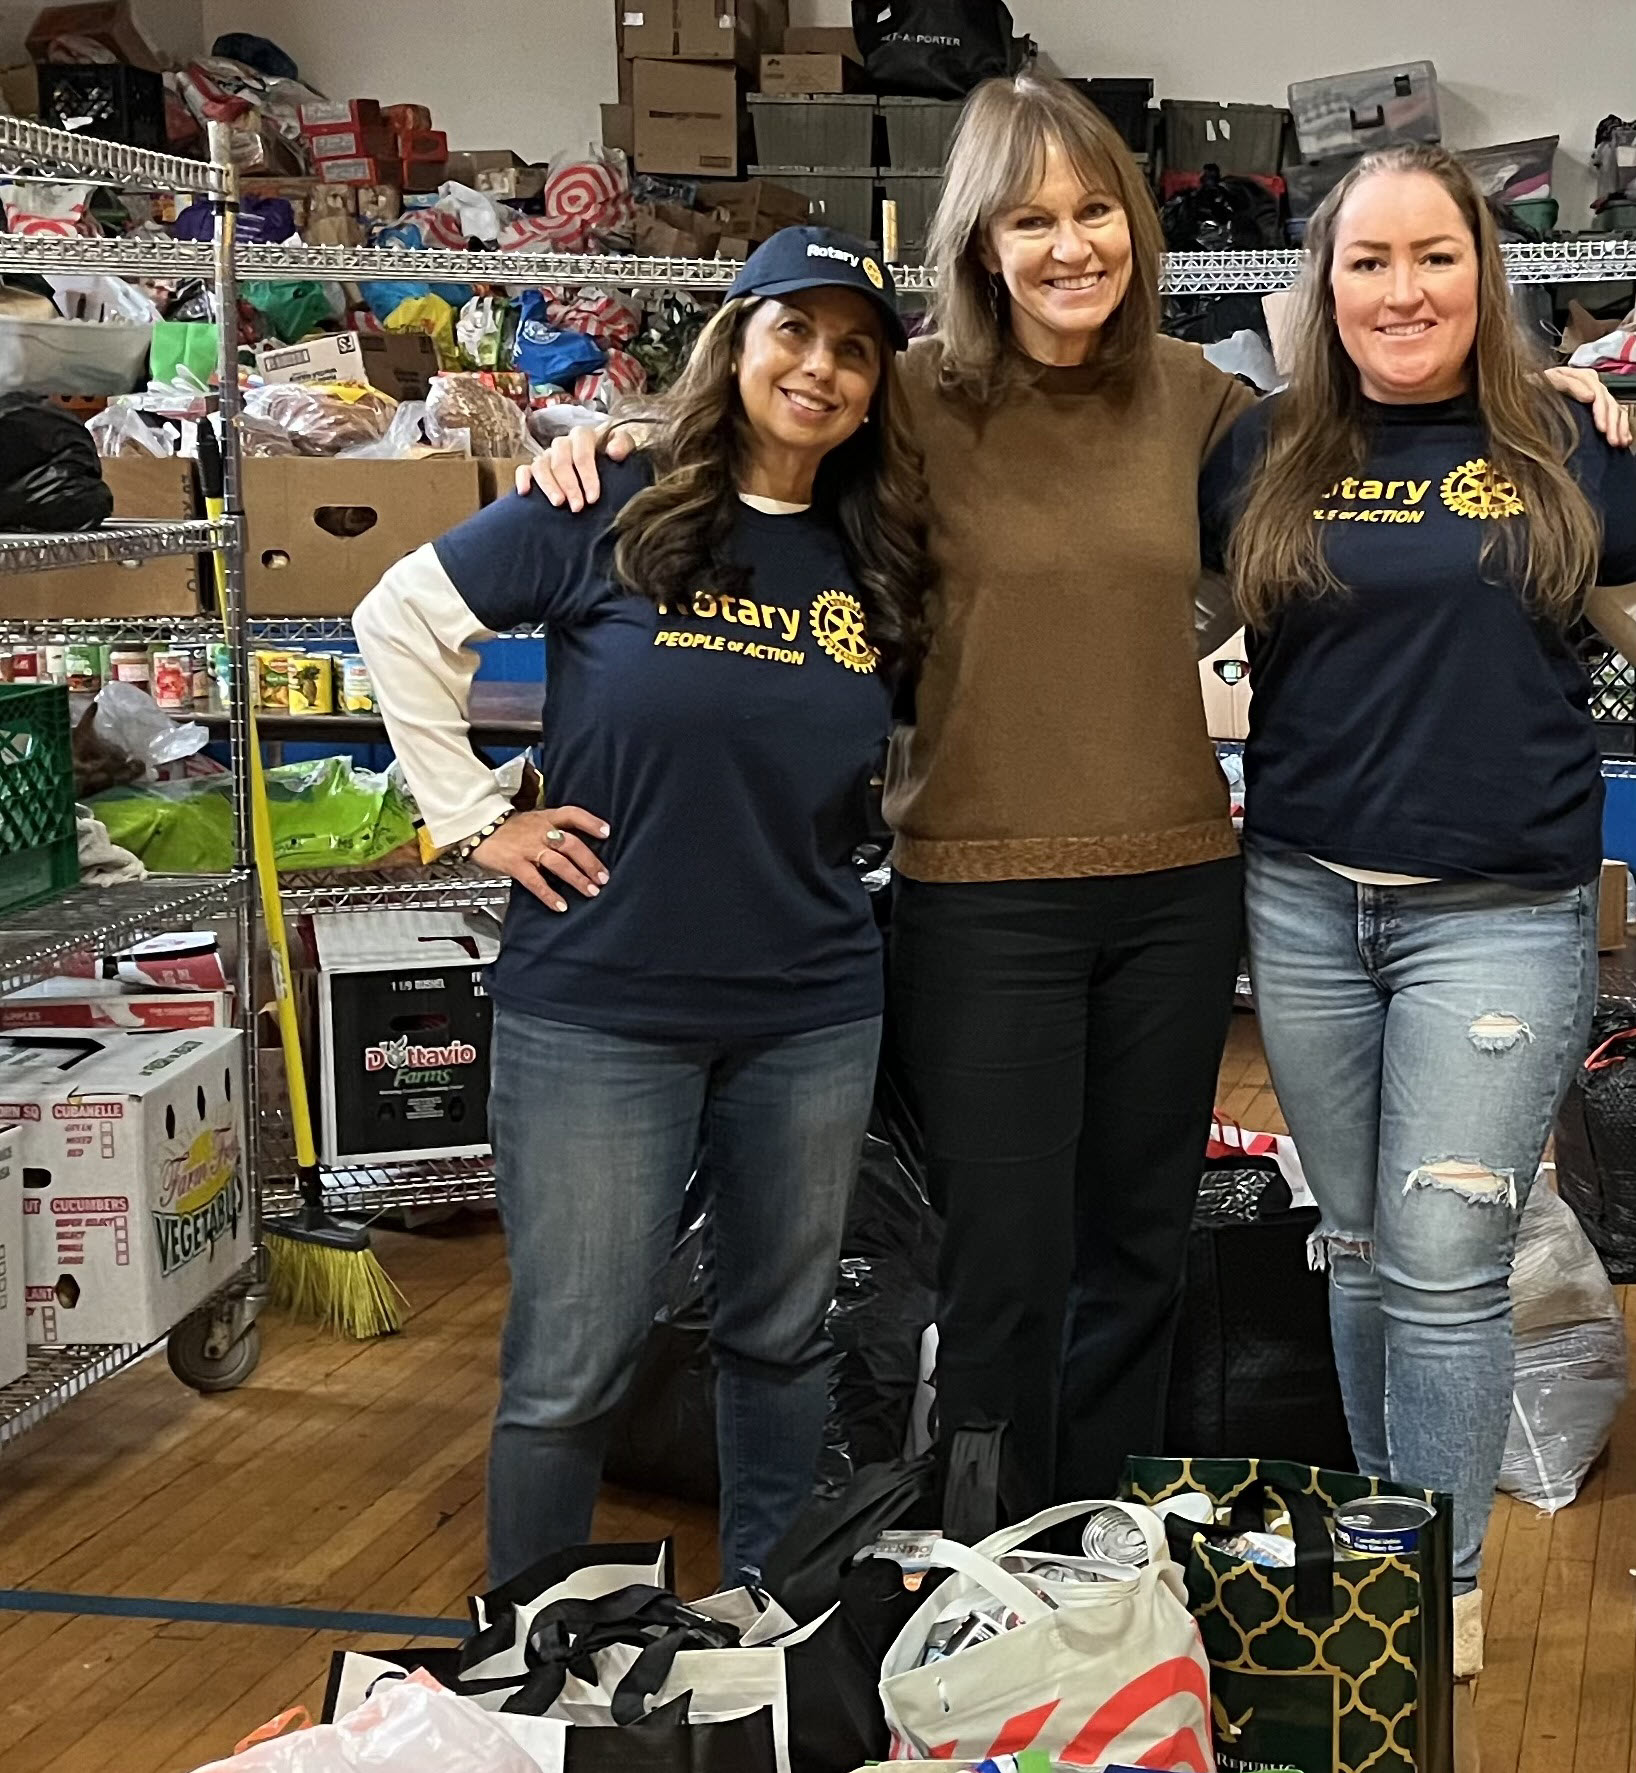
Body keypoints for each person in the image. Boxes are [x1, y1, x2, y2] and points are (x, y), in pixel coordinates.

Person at [523, 78, 1626, 1520]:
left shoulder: (1207, 406)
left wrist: (1556, 397)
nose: (1067, 245)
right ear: (979, 240)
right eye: (1029, 219)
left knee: (1140, 1255)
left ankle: (1100, 1561)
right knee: (1004, 1271)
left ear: (1134, 225)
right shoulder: (903, 404)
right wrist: (607, 445)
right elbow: (755, 453)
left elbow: (1384, 458)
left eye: (1093, 210)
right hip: (980, 897)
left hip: (1178, 887)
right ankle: (997, 1566)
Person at [353, 225, 931, 1589]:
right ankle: (526, 1654)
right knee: (573, 1362)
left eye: (855, 351)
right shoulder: (608, 494)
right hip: (601, 1009)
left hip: (809, 1007)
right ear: (739, 339)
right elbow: (399, 616)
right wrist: (477, 817)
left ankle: (768, 1630)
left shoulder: (880, 550)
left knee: (779, 1339)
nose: (823, 368)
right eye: (796, 330)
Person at [1198, 142, 1636, 1701]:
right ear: (1323, 283)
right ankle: (1380, 1558)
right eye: (1368, 260)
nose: (1402, 289)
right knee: (1364, 1247)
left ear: (1483, 270)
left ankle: (1431, 1589)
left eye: (1434, 255)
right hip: (1306, 902)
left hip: (1500, 916)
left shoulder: (1570, 450)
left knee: (1449, 1260)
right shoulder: (1260, 456)